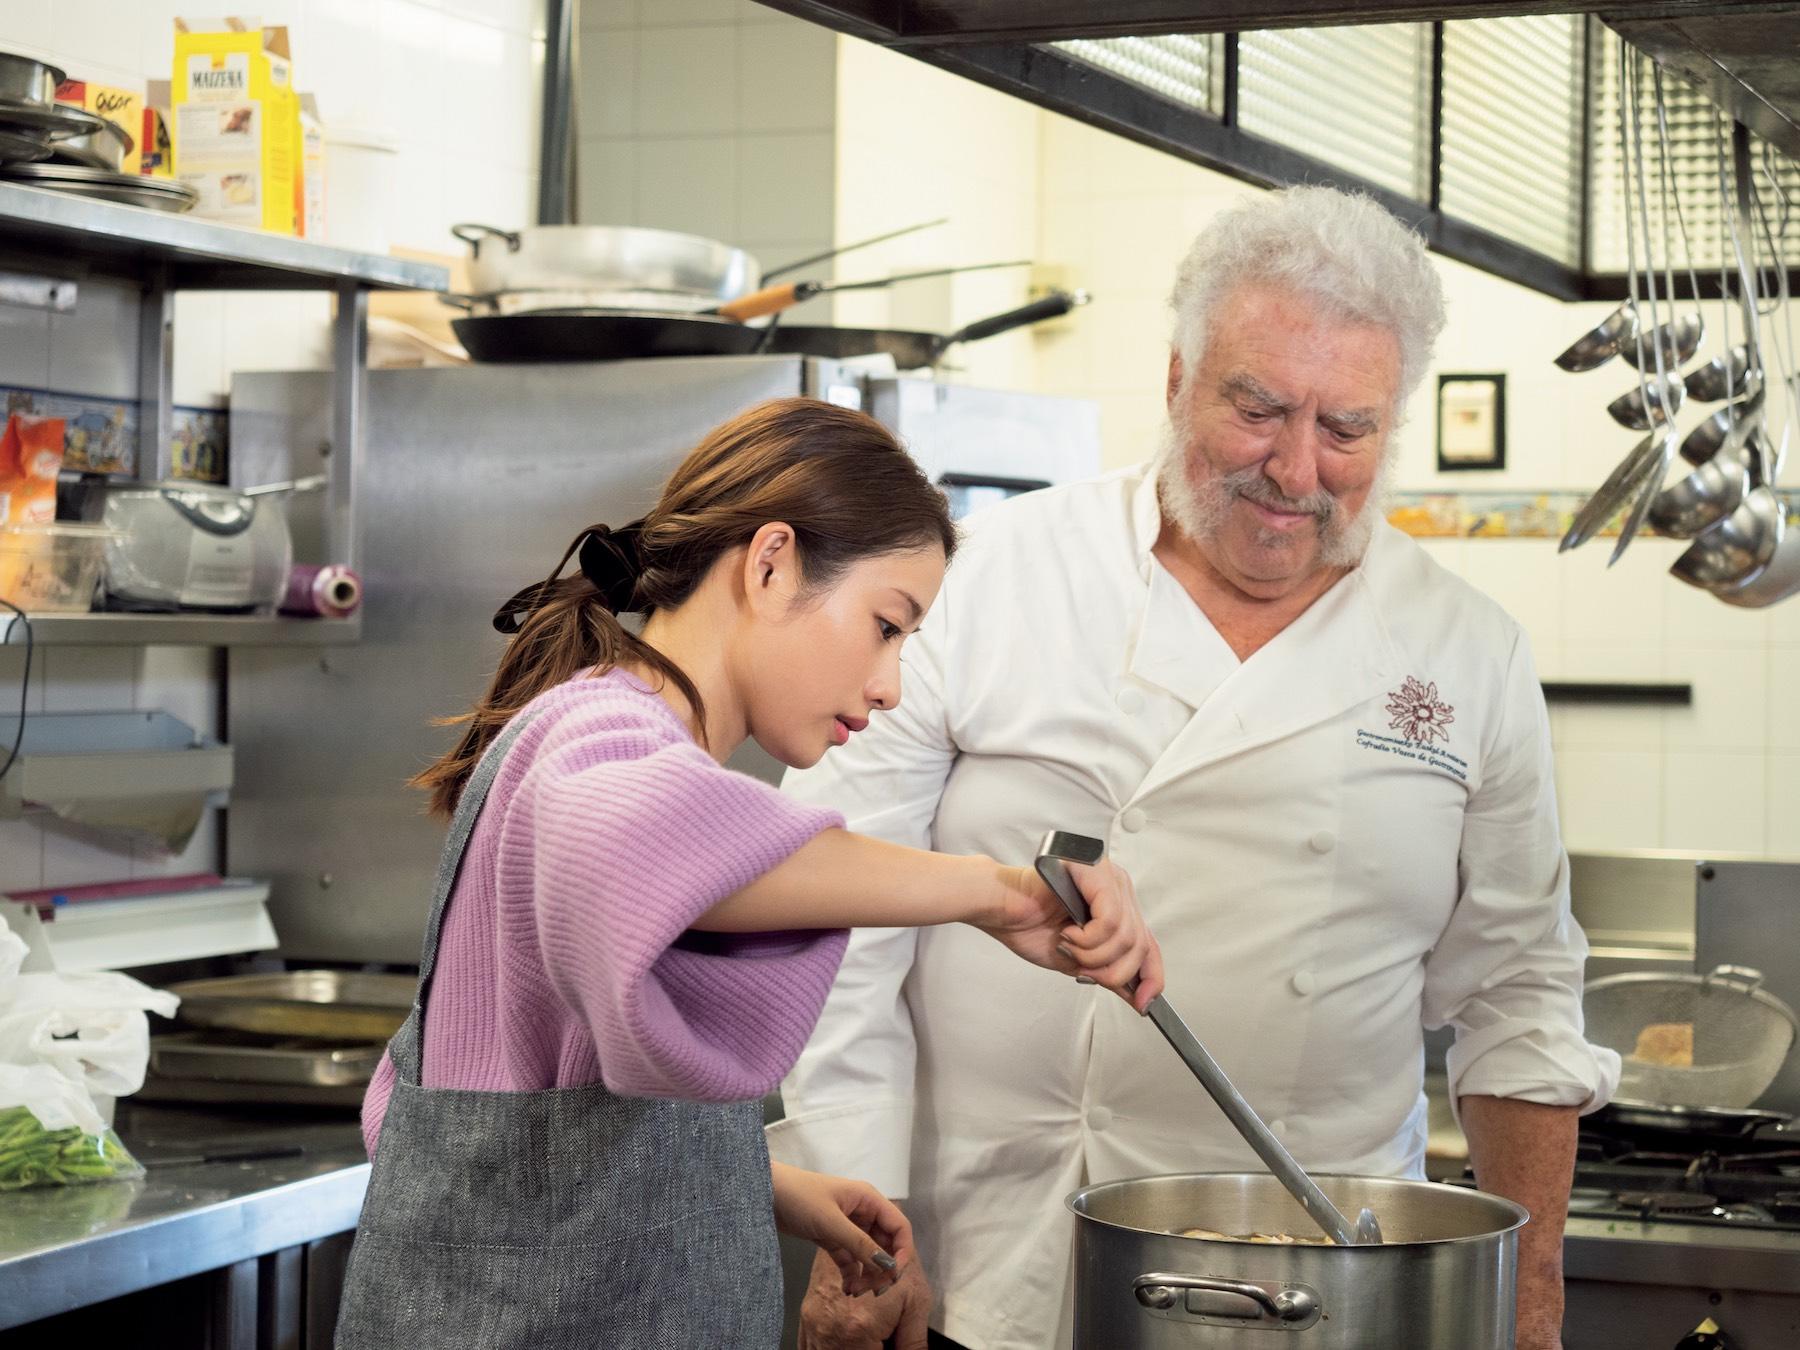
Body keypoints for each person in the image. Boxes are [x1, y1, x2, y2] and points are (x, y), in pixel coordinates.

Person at [772, 188, 1623, 1350]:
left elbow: (1519, 995)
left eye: (1348, 427)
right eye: (1258, 407)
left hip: (1325, 1288)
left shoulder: (1467, 651)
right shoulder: (999, 575)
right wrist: (862, 1233)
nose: (1295, 468)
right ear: (1177, 379)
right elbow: (834, 899)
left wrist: (1530, 1304)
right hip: (987, 1263)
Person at [331, 398, 1163, 1349]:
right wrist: (995, 893)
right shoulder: (595, 732)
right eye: (888, 626)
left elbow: (541, 1125)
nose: (891, 685)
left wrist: (759, 1182)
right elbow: (664, 842)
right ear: (770, 565)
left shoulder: (634, 742)